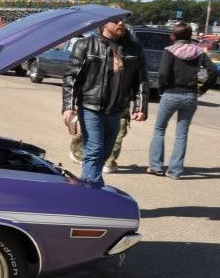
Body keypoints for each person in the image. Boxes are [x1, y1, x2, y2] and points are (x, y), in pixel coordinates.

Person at [61, 15, 148, 186]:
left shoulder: (134, 49)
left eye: (122, 20)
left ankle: (84, 190)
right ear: (103, 23)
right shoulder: (85, 45)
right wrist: (68, 107)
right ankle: (94, 193)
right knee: (94, 151)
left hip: (116, 110)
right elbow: (72, 78)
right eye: (116, 20)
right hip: (90, 107)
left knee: (104, 153)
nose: (121, 23)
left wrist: (140, 106)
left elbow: (141, 79)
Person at [148, 22, 218, 178]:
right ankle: (175, 171)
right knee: (182, 133)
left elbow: (163, 74)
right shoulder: (199, 52)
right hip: (191, 95)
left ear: (173, 36)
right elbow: (213, 71)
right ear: (189, 36)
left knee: (160, 129)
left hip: (171, 93)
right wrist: (203, 88)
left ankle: (156, 166)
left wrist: (162, 88)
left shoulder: (169, 51)